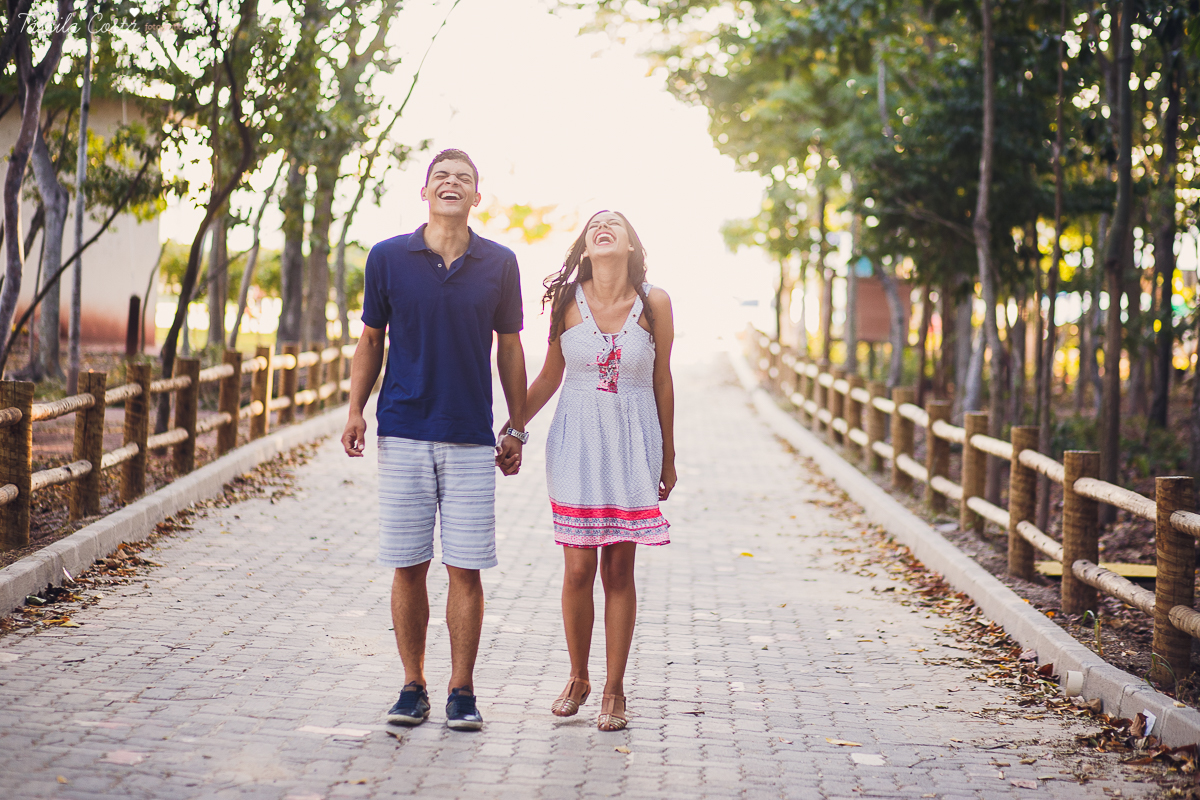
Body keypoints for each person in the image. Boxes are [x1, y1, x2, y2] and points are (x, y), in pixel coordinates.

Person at [342, 149, 528, 732]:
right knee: (408, 565)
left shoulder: (500, 263)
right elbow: (371, 340)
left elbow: (511, 347)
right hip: (403, 430)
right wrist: (355, 410)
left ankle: (462, 691)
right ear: (424, 192)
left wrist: (516, 426)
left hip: (470, 436)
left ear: (477, 196)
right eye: (441, 177)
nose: (451, 184)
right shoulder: (387, 257)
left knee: (466, 568)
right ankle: (412, 685)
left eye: (463, 178)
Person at [519, 210, 676, 731]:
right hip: (576, 442)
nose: (603, 227)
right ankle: (578, 677)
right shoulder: (567, 301)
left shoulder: (655, 303)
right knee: (578, 570)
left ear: (631, 245)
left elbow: (662, 380)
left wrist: (669, 456)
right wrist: (514, 427)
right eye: (594, 226)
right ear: (586, 248)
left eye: (615, 223)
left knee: (618, 571)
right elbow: (549, 376)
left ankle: (614, 688)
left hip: (633, 443)